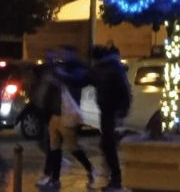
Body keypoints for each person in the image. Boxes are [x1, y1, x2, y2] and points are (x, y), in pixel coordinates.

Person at [35, 51, 95, 190]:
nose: (63, 57)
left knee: (72, 147)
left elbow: (74, 82)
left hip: (66, 115)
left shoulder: (76, 70)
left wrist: (58, 76)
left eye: (66, 54)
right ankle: (54, 180)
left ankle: (90, 168)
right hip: (55, 115)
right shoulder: (58, 70)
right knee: (54, 148)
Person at [89, 45, 131, 191]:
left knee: (108, 145)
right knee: (107, 145)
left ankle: (116, 179)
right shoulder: (106, 68)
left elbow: (124, 90)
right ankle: (115, 178)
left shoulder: (110, 68)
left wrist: (122, 109)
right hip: (108, 111)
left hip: (111, 111)